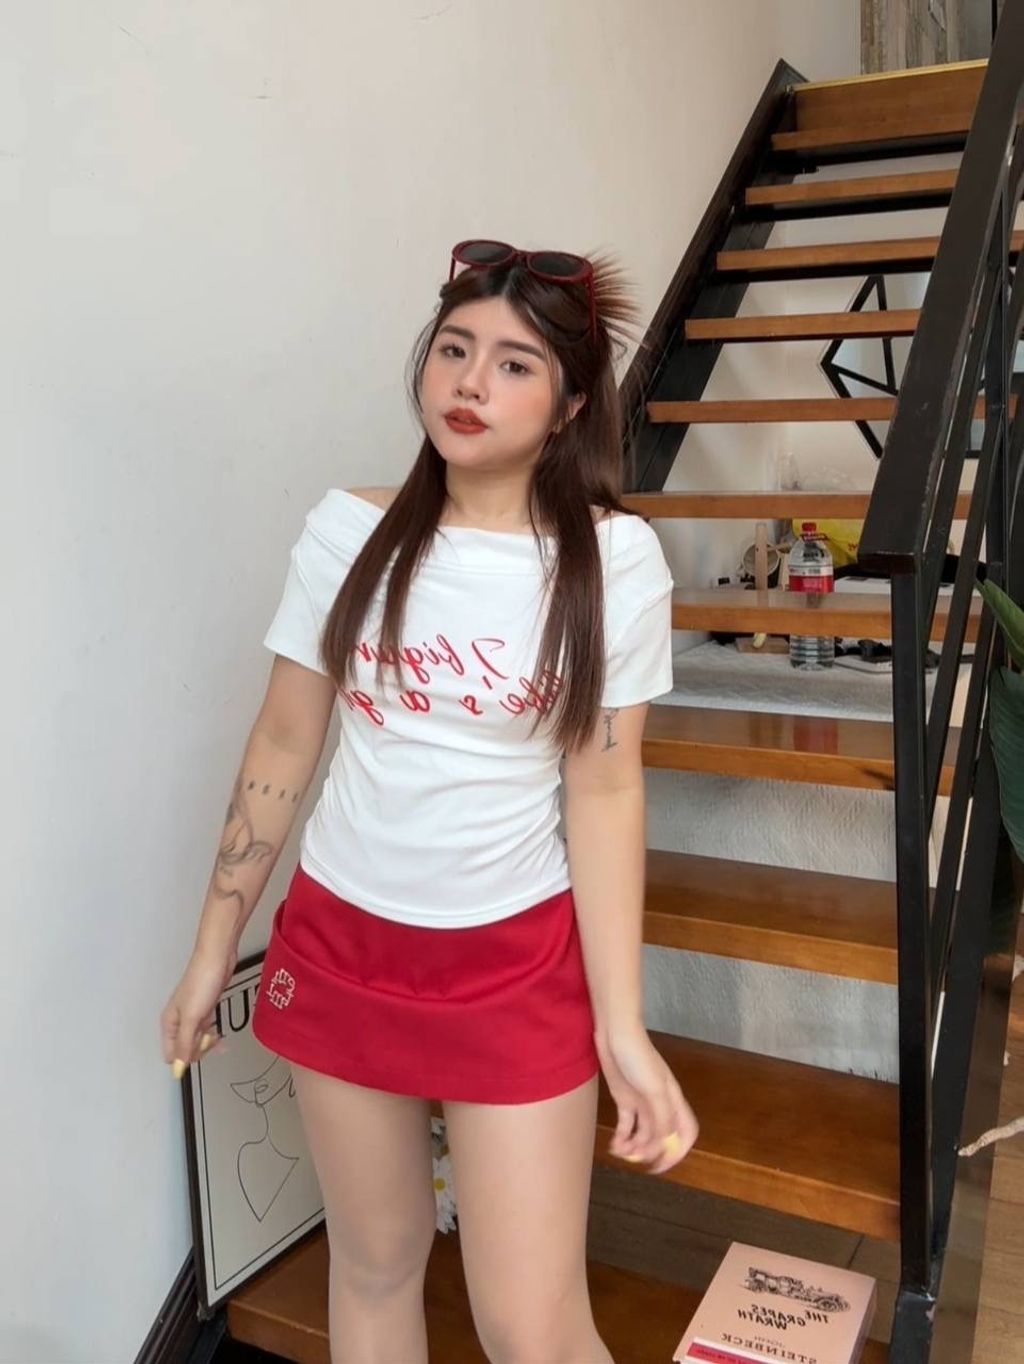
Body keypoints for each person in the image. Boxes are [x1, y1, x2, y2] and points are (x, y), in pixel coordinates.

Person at [160, 239, 699, 1364]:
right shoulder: (347, 531)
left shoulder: (614, 563)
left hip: (512, 961)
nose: (470, 382)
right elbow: (283, 741)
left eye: (513, 364)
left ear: (569, 405)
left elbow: (605, 787)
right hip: (343, 944)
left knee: (530, 1323)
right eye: (454, 349)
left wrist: (621, 1023)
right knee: (374, 1263)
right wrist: (213, 948)